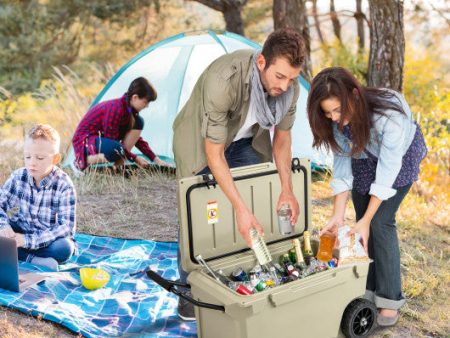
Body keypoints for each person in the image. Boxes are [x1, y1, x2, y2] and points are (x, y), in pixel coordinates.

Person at [172, 28, 305, 320]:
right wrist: (239, 209)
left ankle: (240, 277)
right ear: (261, 63)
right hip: (200, 141)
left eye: (292, 79)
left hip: (245, 139)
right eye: (279, 76)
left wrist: (287, 188)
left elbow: (282, 139)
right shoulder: (225, 81)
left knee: (252, 202)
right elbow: (214, 153)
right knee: (198, 214)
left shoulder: (289, 89)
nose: (284, 86)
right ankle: (187, 293)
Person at [307, 67, 427, 327]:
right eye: (328, 113)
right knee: (362, 223)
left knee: (379, 222)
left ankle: (389, 298)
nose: (335, 119)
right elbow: (341, 163)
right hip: (364, 158)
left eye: (338, 110)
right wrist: (337, 215)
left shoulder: (389, 116)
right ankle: (367, 288)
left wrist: (368, 218)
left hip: (398, 160)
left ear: (353, 95)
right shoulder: (337, 123)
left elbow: (387, 171)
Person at [0, 124, 77, 270]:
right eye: (27, 156)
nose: (32, 162)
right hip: (20, 230)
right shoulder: (18, 177)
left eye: (40, 158)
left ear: (55, 159)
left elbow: (66, 227)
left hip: (47, 239)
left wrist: (27, 241)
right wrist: (4, 227)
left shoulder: (64, 184)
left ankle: (19, 254)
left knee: (64, 248)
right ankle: (31, 259)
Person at [72, 77, 170, 173]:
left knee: (139, 122)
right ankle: (81, 161)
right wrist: (135, 158)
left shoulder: (129, 112)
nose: (147, 106)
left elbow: (136, 139)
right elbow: (113, 143)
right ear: (135, 97)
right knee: (116, 149)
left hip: (101, 141)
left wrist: (155, 159)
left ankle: (116, 167)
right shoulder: (116, 109)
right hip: (85, 141)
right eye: (145, 102)